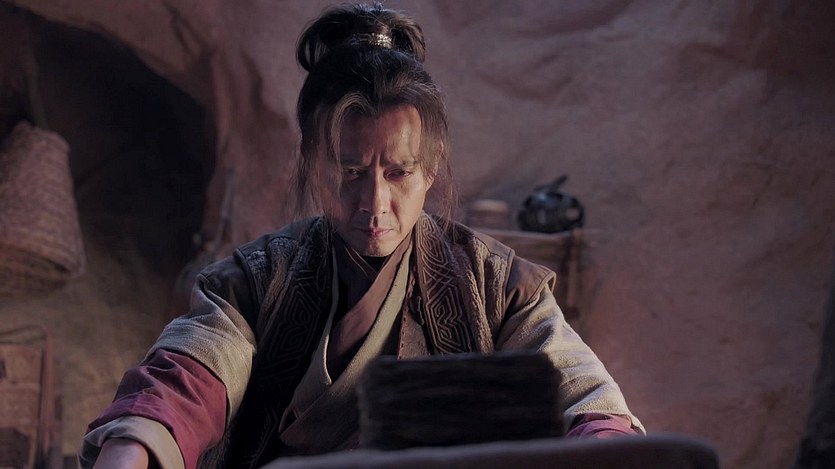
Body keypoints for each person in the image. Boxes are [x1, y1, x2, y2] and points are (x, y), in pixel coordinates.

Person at [79, 4, 644, 469]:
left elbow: (583, 396)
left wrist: (603, 443)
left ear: (430, 168)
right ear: (311, 162)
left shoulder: (499, 287)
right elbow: (186, 378)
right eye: (349, 172)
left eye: (398, 172)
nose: (374, 203)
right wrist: (134, 445)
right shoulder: (253, 284)